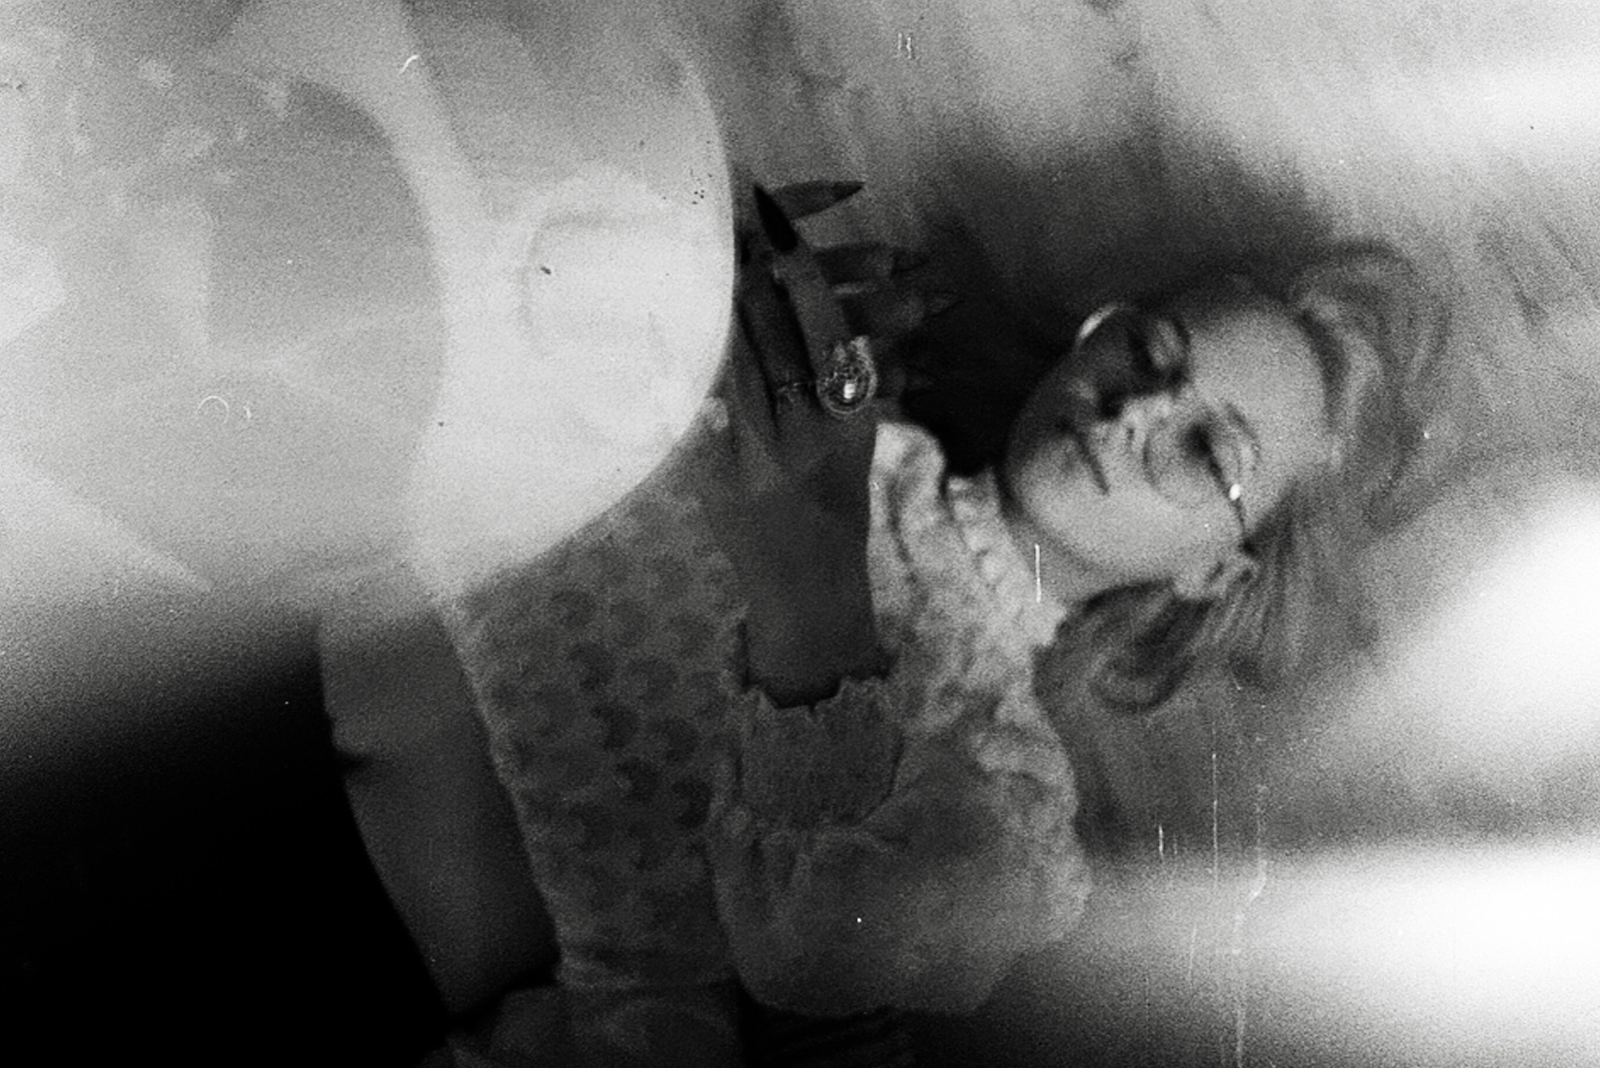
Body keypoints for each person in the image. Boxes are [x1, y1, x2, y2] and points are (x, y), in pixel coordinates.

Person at [435, 181, 1439, 1066]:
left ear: (1212, 574)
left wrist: (813, 595)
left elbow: (817, 960)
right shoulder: (850, 430)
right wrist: (685, 278)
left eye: (1207, 450)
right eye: (1147, 351)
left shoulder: (1007, 789)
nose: (1133, 414)